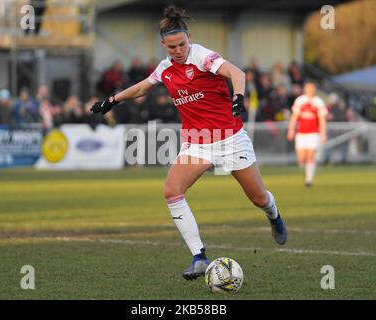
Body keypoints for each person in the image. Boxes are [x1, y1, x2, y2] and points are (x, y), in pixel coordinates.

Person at [90, 6, 287, 280]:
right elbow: (143, 87)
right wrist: (111, 100)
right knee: (171, 191)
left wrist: (238, 97)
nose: (178, 50)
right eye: (172, 47)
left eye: (182, 44)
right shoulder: (165, 68)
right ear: (163, 45)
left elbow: (237, 73)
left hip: (230, 138)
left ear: (188, 38)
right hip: (198, 142)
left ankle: (274, 215)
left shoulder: (202, 56)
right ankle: (200, 258)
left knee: (258, 197)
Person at [287, 82, 327, 187]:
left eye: (312, 88)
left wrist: (323, 134)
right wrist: (291, 130)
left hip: (314, 133)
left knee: (310, 156)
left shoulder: (318, 102)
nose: (310, 90)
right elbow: (294, 116)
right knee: (301, 158)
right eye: (308, 88)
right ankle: (307, 172)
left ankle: (309, 180)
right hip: (301, 133)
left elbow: (322, 119)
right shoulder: (300, 101)